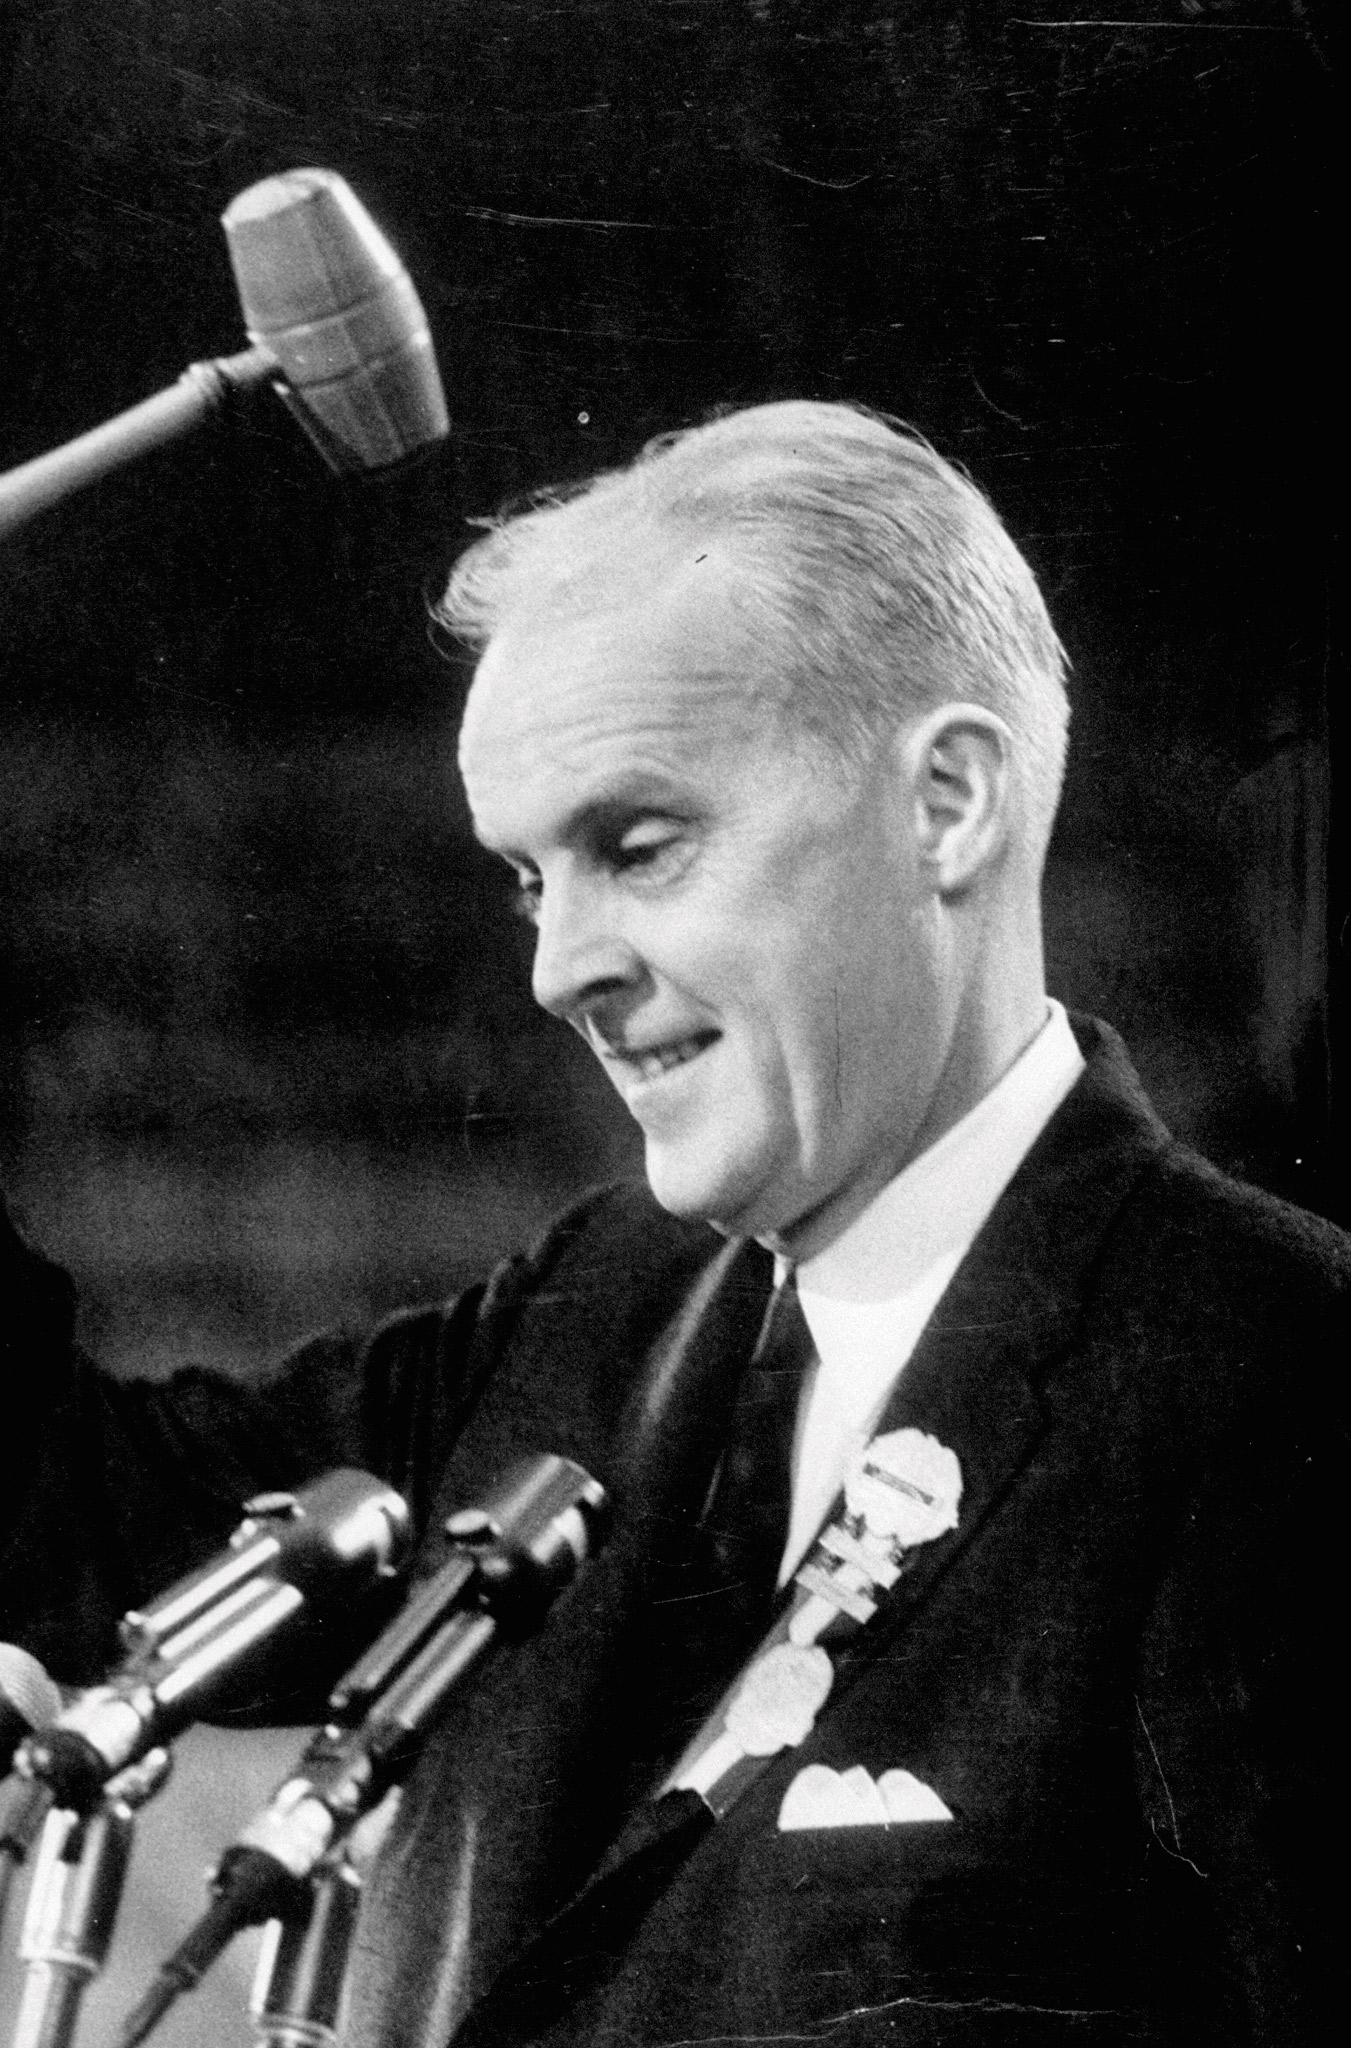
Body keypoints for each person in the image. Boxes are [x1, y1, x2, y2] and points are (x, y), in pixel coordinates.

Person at [2, 401, 1343, 2046]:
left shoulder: (1282, 1373)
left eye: (638, 849)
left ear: (948, 804)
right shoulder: (588, 1314)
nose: (557, 968)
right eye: (528, 880)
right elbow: (53, 1520)